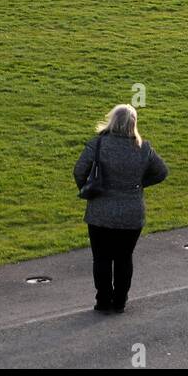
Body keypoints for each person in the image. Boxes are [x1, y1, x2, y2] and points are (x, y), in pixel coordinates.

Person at [72, 104, 168, 314]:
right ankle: (120, 302)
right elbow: (161, 172)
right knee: (124, 258)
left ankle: (103, 300)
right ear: (133, 123)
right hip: (132, 213)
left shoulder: (98, 144)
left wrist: (90, 190)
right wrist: (138, 184)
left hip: (100, 212)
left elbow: (79, 171)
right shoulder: (143, 148)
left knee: (101, 258)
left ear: (112, 121)